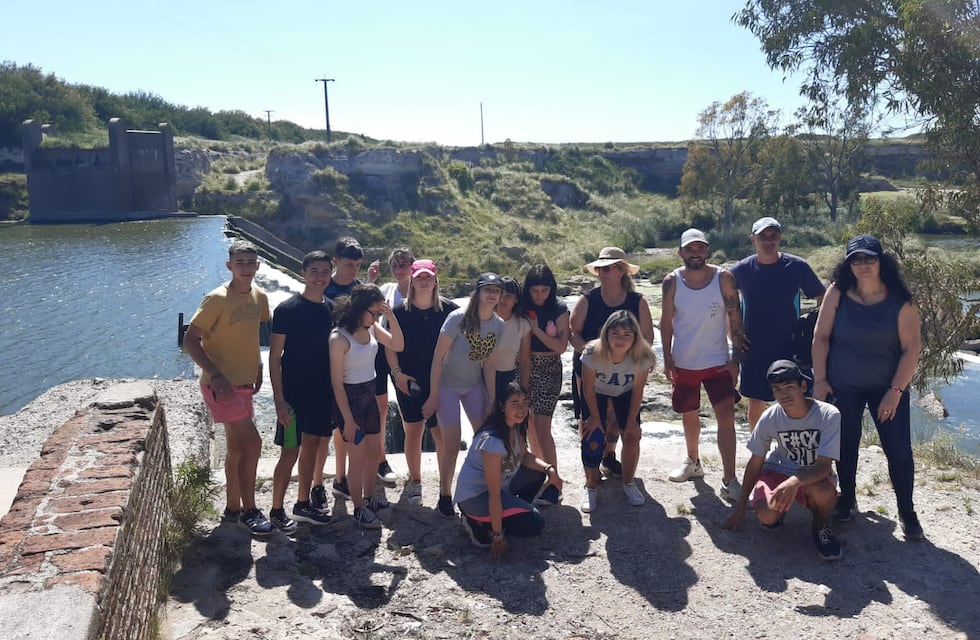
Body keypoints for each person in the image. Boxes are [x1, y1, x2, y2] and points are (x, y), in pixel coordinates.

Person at [811, 234, 924, 540]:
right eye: (856, 260)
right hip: (842, 385)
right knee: (845, 444)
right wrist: (820, 380)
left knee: (898, 450)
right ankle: (846, 499)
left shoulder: (901, 299)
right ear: (848, 264)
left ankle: (907, 511)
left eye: (869, 258)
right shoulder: (838, 291)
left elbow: (911, 350)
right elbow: (820, 337)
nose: (863, 265)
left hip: (887, 388)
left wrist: (896, 391)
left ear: (881, 261)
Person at [183, 240, 273, 536]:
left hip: (244, 384)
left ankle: (233, 507)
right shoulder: (216, 299)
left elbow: (252, 337)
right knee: (254, 444)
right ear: (229, 266)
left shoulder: (259, 298)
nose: (246, 268)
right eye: (240, 263)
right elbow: (190, 340)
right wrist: (216, 375)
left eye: (251, 262)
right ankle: (250, 510)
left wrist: (258, 368)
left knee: (236, 449)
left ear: (258, 265)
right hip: (221, 387)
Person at [722, 360, 843, 561]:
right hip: (778, 471)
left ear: (803, 387)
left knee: (823, 492)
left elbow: (823, 466)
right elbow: (755, 462)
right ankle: (778, 514)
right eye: (777, 389)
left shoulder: (828, 414)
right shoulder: (770, 417)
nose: (784, 395)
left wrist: (794, 481)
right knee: (766, 515)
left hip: (811, 473)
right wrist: (741, 508)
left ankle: (820, 528)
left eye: (789, 388)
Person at [661, 229, 747, 502]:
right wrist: (667, 357)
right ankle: (693, 461)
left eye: (700, 248)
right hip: (684, 361)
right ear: (681, 252)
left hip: (718, 361)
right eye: (690, 248)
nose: (695, 253)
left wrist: (736, 360)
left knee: (726, 418)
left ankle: (729, 478)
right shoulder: (671, 281)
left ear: (707, 251)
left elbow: (735, 317)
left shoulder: (724, 278)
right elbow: (665, 322)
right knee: (689, 413)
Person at [730, 217, 825, 431]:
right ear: (752, 239)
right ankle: (758, 452)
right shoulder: (741, 269)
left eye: (773, 236)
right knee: (756, 401)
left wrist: (813, 330)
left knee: (796, 397)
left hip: (790, 345)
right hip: (753, 346)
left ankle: (796, 449)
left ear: (780, 238)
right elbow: (724, 302)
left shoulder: (796, 266)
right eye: (762, 236)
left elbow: (823, 297)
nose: (768, 241)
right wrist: (733, 334)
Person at [424, 273, 505, 517]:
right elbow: (437, 358)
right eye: (487, 289)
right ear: (478, 292)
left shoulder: (498, 325)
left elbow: (489, 365)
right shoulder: (457, 318)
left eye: (496, 291)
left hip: (473, 386)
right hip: (447, 386)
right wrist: (433, 395)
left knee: (485, 439)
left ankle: (481, 487)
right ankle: (445, 495)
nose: (491, 294)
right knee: (451, 444)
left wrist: (491, 399)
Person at [570, 247, 654, 480]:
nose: (602, 273)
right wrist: (591, 352)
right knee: (589, 420)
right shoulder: (588, 299)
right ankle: (592, 467)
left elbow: (647, 337)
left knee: (617, 418)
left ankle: (609, 456)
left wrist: (631, 358)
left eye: (607, 268)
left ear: (621, 271)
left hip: (626, 370)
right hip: (590, 369)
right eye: (600, 269)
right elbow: (573, 332)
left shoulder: (638, 301)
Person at [454, 381, 564, 555]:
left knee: (537, 473)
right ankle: (477, 523)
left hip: (497, 491)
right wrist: (498, 538)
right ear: (501, 406)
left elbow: (526, 456)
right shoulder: (492, 441)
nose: (521, 408)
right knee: (535, 523)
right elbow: (494, 493)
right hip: (475, 499)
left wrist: (550, 470)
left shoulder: (514, 427)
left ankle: (506, 514)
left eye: (525, 403)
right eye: (515, 403)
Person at [267, 250, 335, 532]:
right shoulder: (286, 310)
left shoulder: (334, 309)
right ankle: (276, 510)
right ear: (303, 273)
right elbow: (274, 358)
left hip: (323, 394)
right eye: (314, 271)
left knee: (314, 448)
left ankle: (302, 504)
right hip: (294, 396)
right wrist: (279, 401)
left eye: (324, 271)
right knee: (290, 452)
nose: (320, 277)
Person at [329, 284, 404, 529]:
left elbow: (398, 345)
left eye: (378, 313)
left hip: (369, 396)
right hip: (350, 401)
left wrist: (390, 317)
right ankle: (359, 508)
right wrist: (348, 420)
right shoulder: (339, 338)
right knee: (357, 459)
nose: (376, 317)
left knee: (373, 454)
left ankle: (371, 499)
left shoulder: (372, 328)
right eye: (374, 313)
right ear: (358, 309)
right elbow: (337, 385)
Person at [386, 259, 459, 506]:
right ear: (412, 280)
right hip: (408, 380)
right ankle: (415, 481)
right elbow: (389, 346)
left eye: (428, 277)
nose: (424, 281)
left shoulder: (450, 310)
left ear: (435, 279)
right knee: (413, 430)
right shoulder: (399, 312)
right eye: (419, 277)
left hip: (442, 380)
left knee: (441, 434)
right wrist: (397, 374)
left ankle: (444, 486)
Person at [579, 310, 656, 512]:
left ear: (635, 337)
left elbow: (638, 390)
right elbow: (587, 388)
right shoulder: (591, 351)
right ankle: (591, 486)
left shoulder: (642, 356)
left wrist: (631, 421)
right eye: (616, 333)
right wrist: (595, 417)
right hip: (597, 392)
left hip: (625, 393)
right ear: (606, 333)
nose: (620, 339)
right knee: (592, 436)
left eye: (627, 335)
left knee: (632, 436)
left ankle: (629, 482)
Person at [319, 236, 372, 508]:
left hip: (350, 369)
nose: (355, 270)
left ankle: (342, 480)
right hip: (322, 366)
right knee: (324, 433)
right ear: (336, 261)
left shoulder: (358, 290)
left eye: (358, 265)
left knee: (346, 430)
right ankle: (322, 485)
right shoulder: (322, 286)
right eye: (350, 265)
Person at [520, 264, 570, 506]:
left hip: (550, 368)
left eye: (544, 290)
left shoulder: (559, 309)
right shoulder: (522, 308)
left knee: (542, 426)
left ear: (552, 289)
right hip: (525, 366)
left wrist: (537, 330)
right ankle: (541, 474)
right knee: (528, 425)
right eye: (535, 291)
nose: (540, 295)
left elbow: (561, 347)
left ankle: (554, 483)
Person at [374, 248, 415, 487]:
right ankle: (381, 460)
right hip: (381, 354)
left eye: (403, 265)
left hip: (407, 357)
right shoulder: (386, 289)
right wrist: (370, 280)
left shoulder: (421, 289)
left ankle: (414, 466)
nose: (399, 270)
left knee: (408, 412)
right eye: (395, 266)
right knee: (380, 408)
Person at [486, 276, 531, 407]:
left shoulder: (522, 324)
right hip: (481, 378)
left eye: (509, 296)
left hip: (508, 379)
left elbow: (525, 361)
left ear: (516, 299)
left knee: (507, 423)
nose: (503, 299)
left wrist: (522, 390)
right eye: (500, 294)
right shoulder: (483, 320)